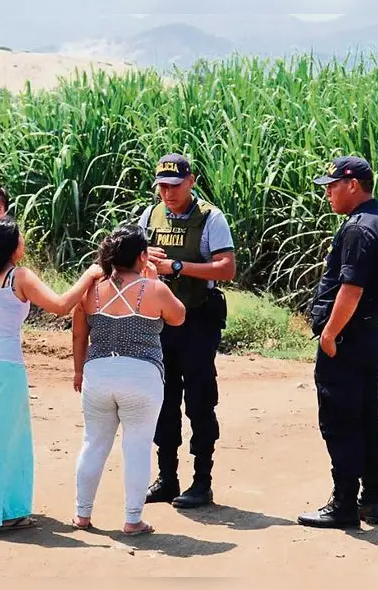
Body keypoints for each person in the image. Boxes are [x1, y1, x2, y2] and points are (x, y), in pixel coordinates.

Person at [0, 216, 104, 531]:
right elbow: (60, 306)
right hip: (2, 362)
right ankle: (3, 512)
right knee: (7, 437)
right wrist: (88, 275)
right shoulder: (18, 276)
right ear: (12, 247)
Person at [297, 155, 378, 529]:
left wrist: (329, 334)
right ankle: (371, 501)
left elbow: (351, 289)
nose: (327, 194)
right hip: (368, 334)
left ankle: (343, 504)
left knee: (341, 421)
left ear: (353, 185)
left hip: (347, 338)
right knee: (366, 420)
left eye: (332, 186)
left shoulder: (359, 228)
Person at [71, 223, 186, 536]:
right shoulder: (154, 289)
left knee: (93, 444)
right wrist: (154, 279)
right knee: (137, 447)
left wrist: (79, 370)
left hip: (98, 373)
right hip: (141, 375)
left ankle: (82, 514)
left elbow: (79, 334)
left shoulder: (91, 290)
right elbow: (178, 317)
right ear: (142, 256)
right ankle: (132, 519)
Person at [138, 153, 236, 509]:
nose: (168, 193)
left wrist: (177, 266)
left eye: (175, 186)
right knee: (163, 401)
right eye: (162, 187)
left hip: (197, 321)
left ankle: (201, 481)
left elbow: (226, 268)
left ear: (191, 181)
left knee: (199, 401)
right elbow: (131, 263)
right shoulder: (150, 216)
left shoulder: (211, 218)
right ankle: (167, 478)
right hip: (160, 322)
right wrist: (143, 257)